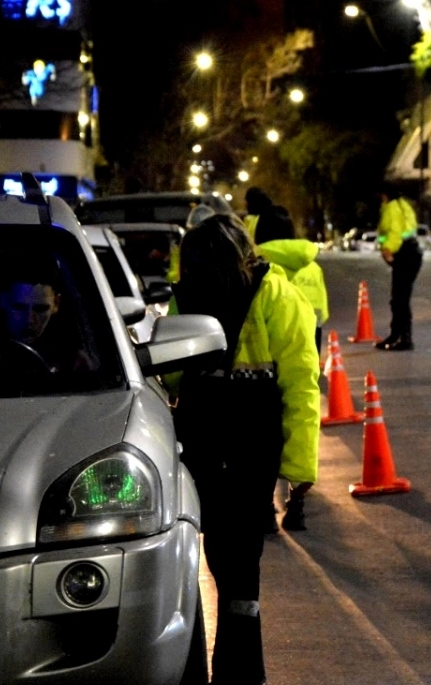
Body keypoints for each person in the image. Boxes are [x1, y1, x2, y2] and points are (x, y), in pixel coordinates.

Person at [171, 214, 320, 685]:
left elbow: (301, 385)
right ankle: (236, 671)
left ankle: (240, 673)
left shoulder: (276, 298)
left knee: (237, 565)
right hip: (206, 448)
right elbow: (170, 372)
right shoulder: (192, 297)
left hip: (244, 453)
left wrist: (299, 466)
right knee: (222, 561)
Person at [252, 207, 329, 533]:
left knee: (266, 430)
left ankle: (267, 506)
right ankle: (296, 505)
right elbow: (322, 311)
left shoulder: (256, 268)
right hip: (307, 342)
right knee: (301, 418)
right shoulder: (311, 266)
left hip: (267, 350)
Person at [374, 182, 423, 351]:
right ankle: (396, 335)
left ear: (384, 194)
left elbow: (394, 233)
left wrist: (387, 249)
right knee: (399, 298)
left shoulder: (392, 208)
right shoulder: (404, 206)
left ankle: (405, 339)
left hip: (404, 254)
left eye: (380, 195)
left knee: (400, 299)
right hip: (412, 253)